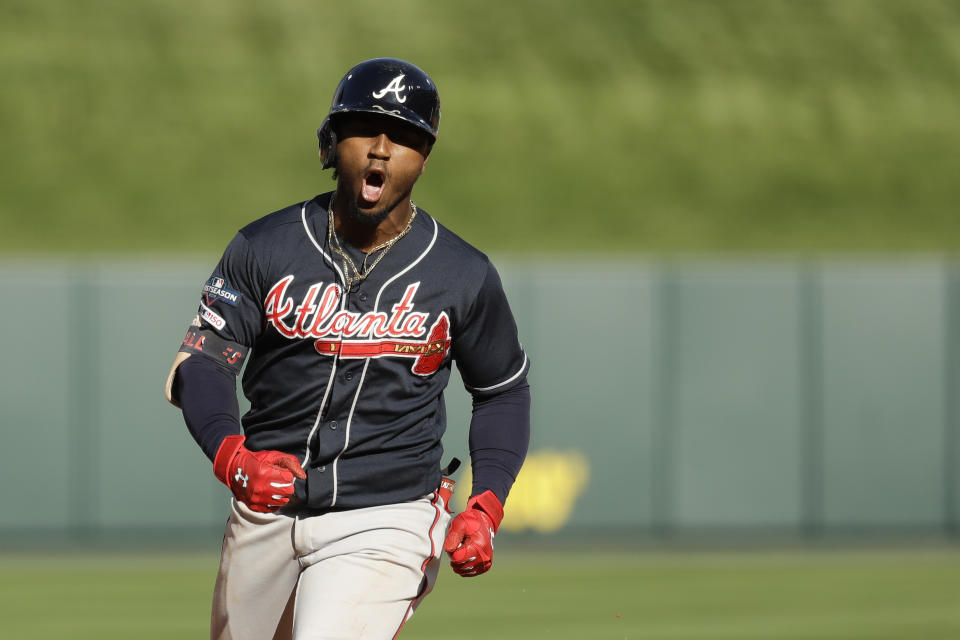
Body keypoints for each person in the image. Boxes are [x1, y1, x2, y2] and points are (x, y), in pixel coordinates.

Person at [164, 57, 531, 639]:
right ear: (332, 143)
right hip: (266, 507)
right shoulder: (265, 247)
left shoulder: (463, 273)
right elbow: (203, 363)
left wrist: (485, 504)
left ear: (426, 157)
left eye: (406, 136)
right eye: (365, 128)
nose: (382, 149)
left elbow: (501, 394)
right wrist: (233, 458)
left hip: (388, 515)